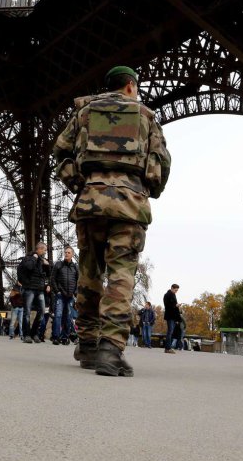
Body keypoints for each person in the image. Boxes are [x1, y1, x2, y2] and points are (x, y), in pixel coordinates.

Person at [53, 65, 171, 377]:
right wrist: (148, 188)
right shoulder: (146, 116)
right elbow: (160, 164)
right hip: (130, 204)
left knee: (89, 274)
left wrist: (80, 182)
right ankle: (110, 348)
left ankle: (88, 344)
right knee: (121, 276)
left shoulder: (84, 113)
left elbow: (60, 152)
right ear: (131, 86)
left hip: (90, 201)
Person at [17, 242, 50, 343]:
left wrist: (47, 265)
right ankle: (27, 335)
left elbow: (48, 274)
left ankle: (34, 333)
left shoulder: (42, 260)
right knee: (27, 312)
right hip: (30, 288)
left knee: (42, 312)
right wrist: (34, 258)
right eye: (44, 250)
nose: (45, 252)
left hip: (39, 289)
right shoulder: (29, 257)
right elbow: (29, 267)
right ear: (39, 249)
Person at [51, 246, 79, 345]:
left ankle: (65, 337)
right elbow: (53, 279)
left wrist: (75, 293)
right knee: (58, 315)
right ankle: (55, 337)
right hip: (60, 295)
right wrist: (57, 291)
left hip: (70, 296)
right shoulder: (58, 265)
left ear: (72, 254)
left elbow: (78, 281)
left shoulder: (75, 267)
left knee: (68, 317)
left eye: (68, 252)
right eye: (65, 252)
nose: (66, 254)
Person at [163, 284, 180, 354]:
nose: (176, 292)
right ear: (172, 288)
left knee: (171, 332)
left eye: (177, 290)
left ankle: (168, 347)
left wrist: (177, 319)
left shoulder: (173, 295)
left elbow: (173, 306)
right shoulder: (167, 295)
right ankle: (167, 348)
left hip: (173, 316)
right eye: (175, 290)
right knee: (170, 332)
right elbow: (167, 305)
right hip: (169, 316)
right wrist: (175, 305)